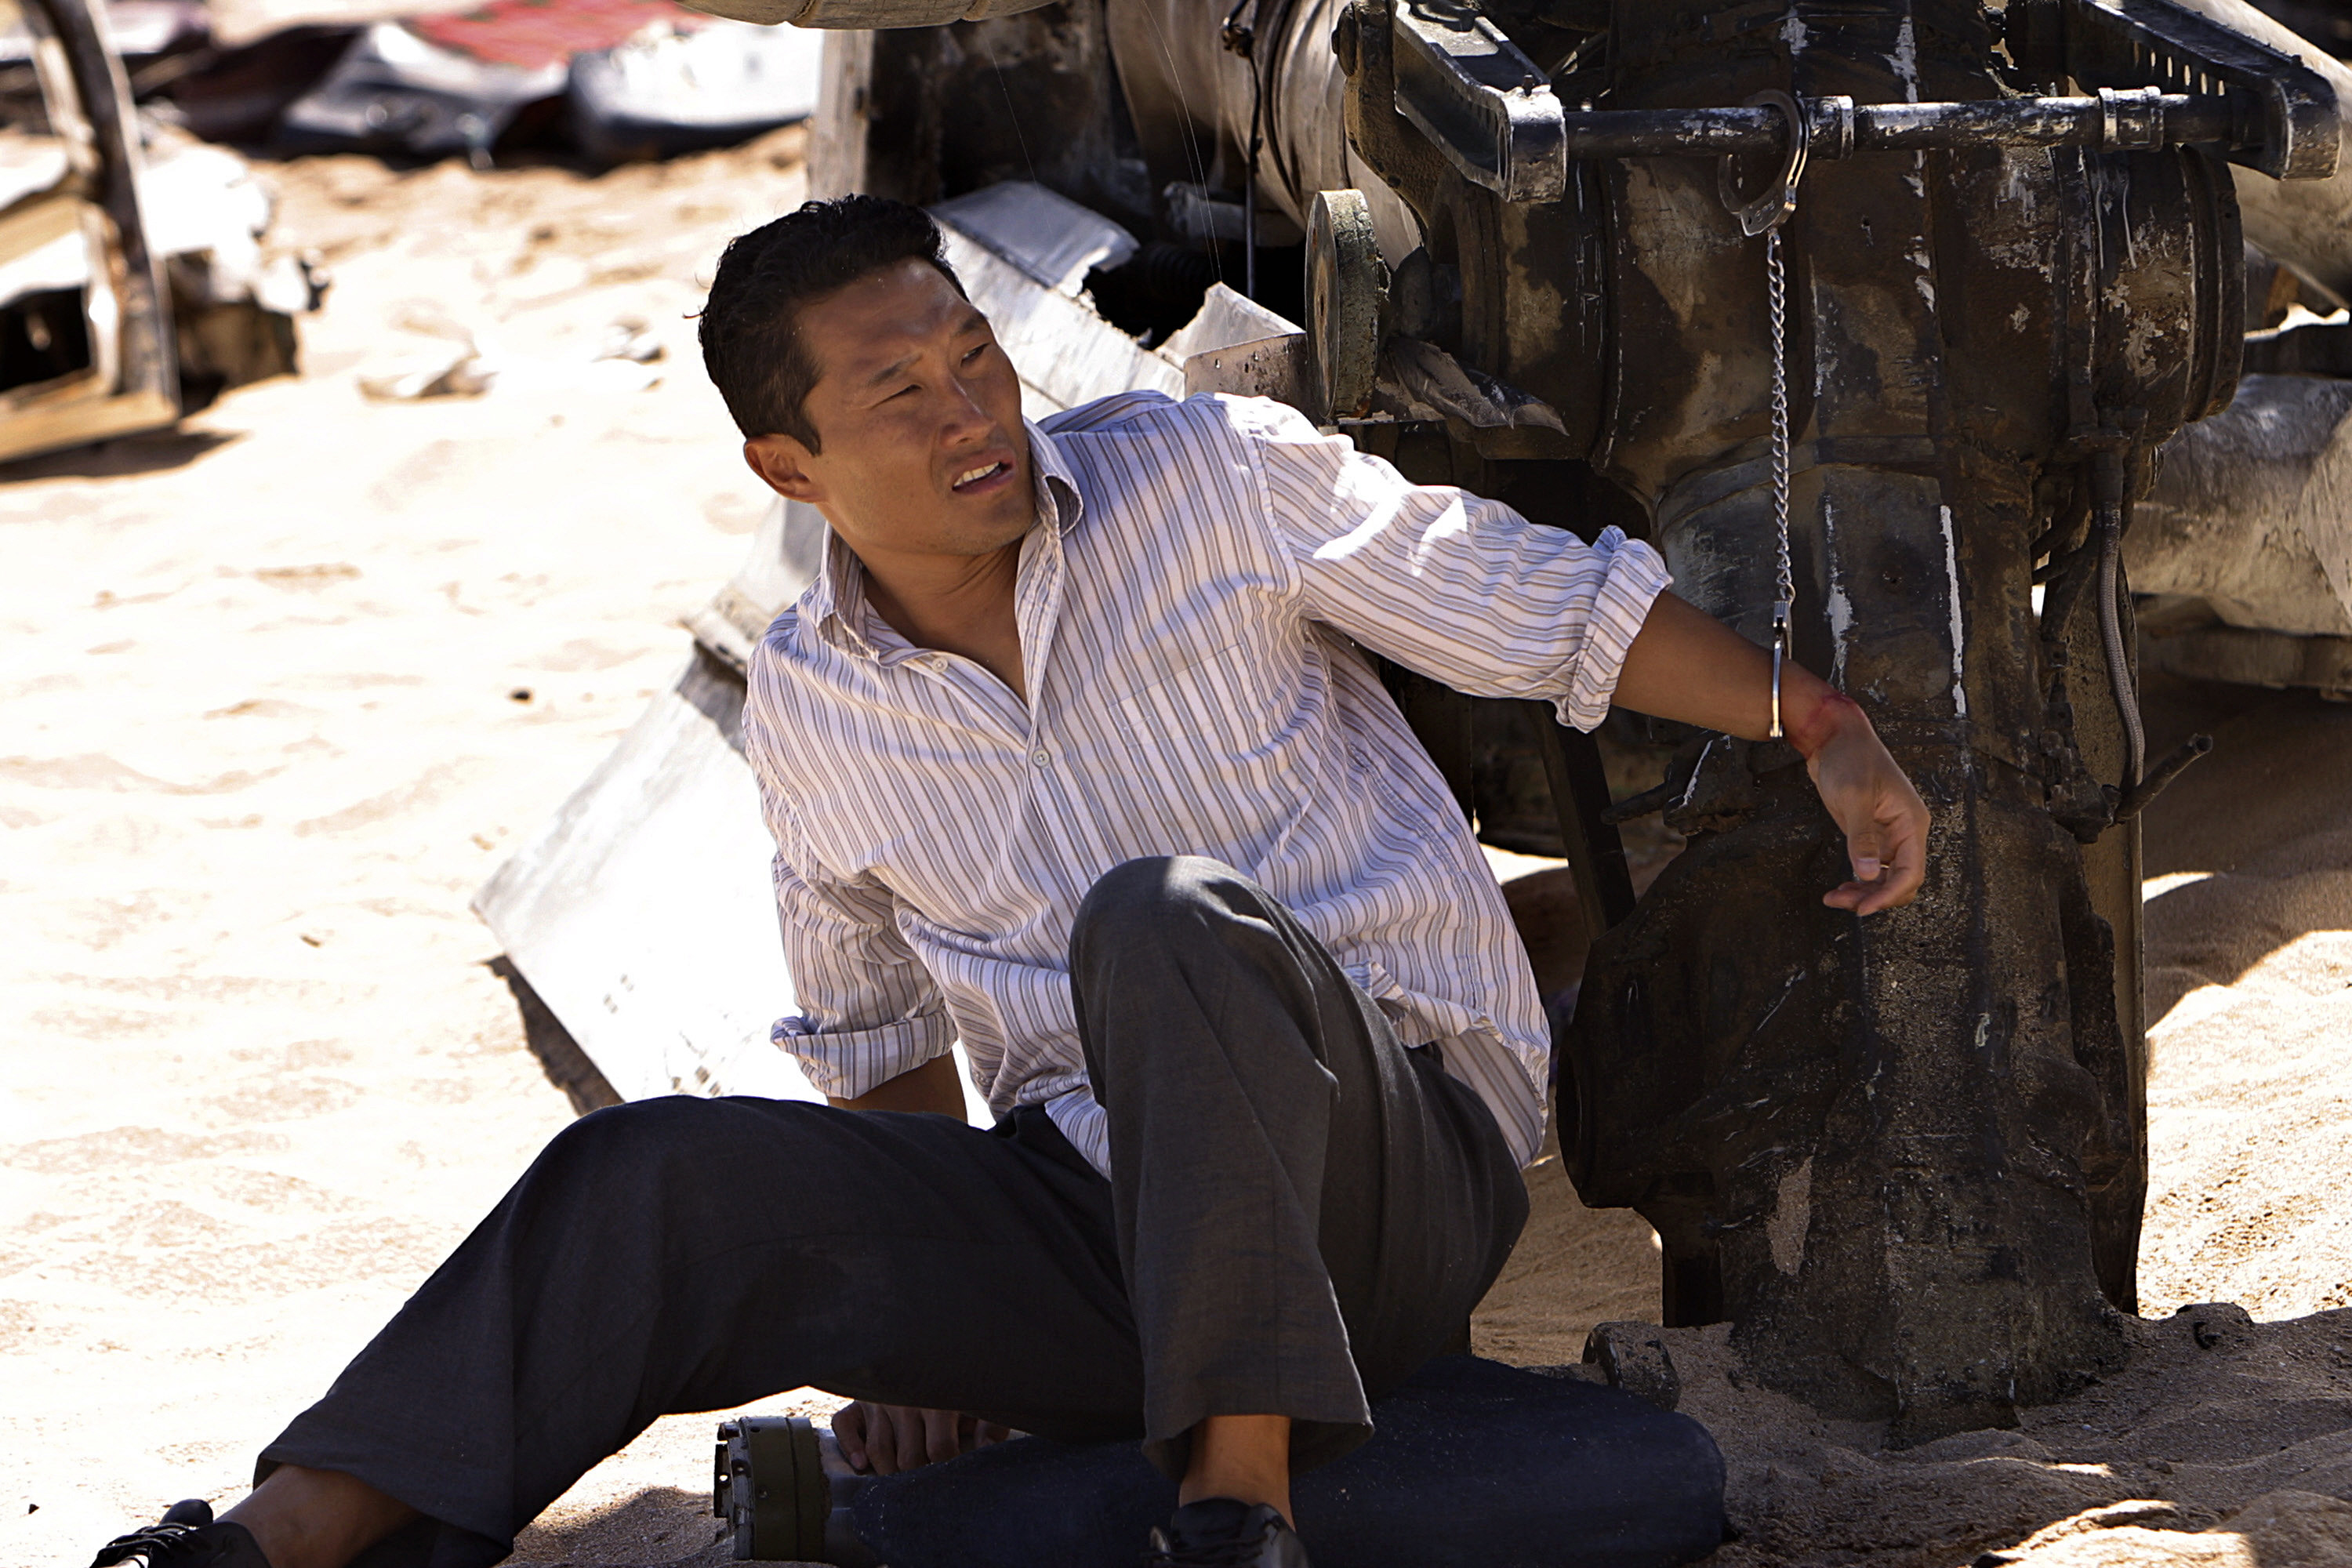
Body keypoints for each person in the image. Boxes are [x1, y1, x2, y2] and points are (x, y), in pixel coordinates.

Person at [90, 195, 1927, 1568]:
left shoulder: (1209, 481)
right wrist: (899, 1329)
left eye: (974, 356)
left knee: (1162, 918)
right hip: (1092, 1222)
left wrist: (1815, 715)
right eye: (902, 393)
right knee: (649, 1176)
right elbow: (875, 1021)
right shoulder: (812, 699)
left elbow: (1543, 605)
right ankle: (297, 1527)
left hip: (1387, 1168)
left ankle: (1233, 1514)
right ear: (786, 462)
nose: (974, 411)